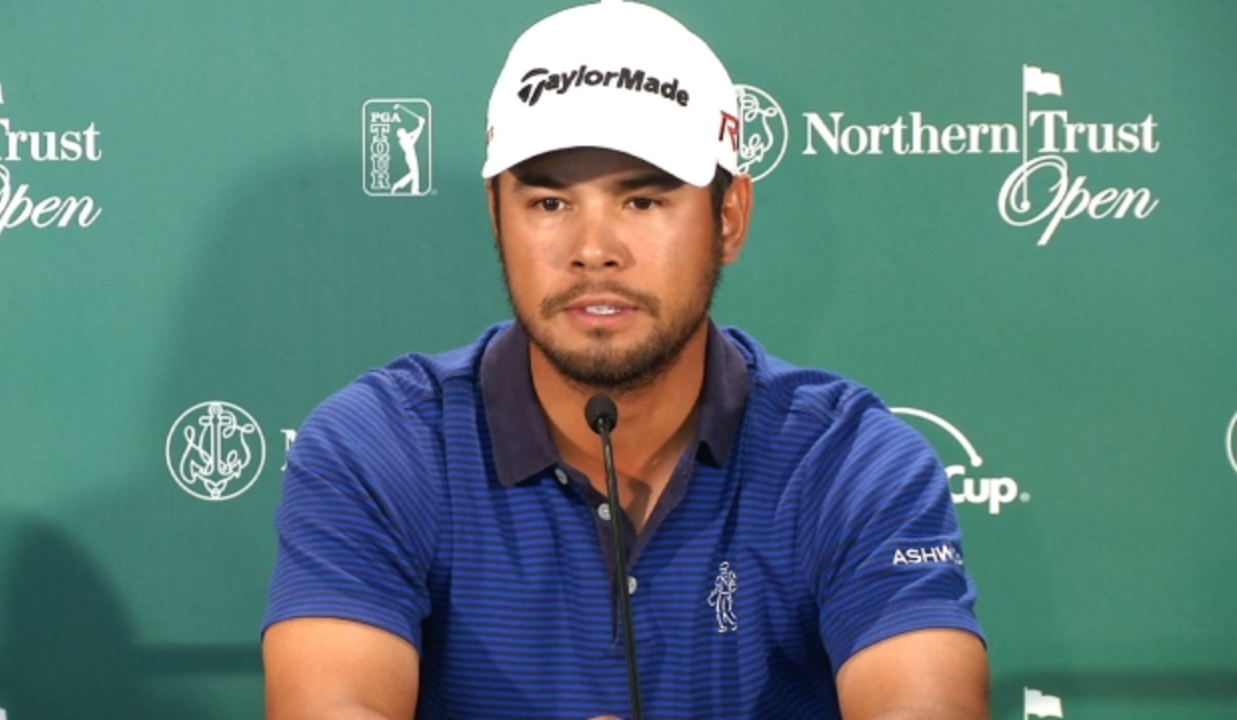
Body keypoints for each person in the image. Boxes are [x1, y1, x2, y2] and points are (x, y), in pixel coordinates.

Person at [262, 1, 989, 718]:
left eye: (642, 201)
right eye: (549, 204)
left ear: (729, 217)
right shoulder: (378, 446)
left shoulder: (851, 462)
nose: (593, 249)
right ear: (496, 216)